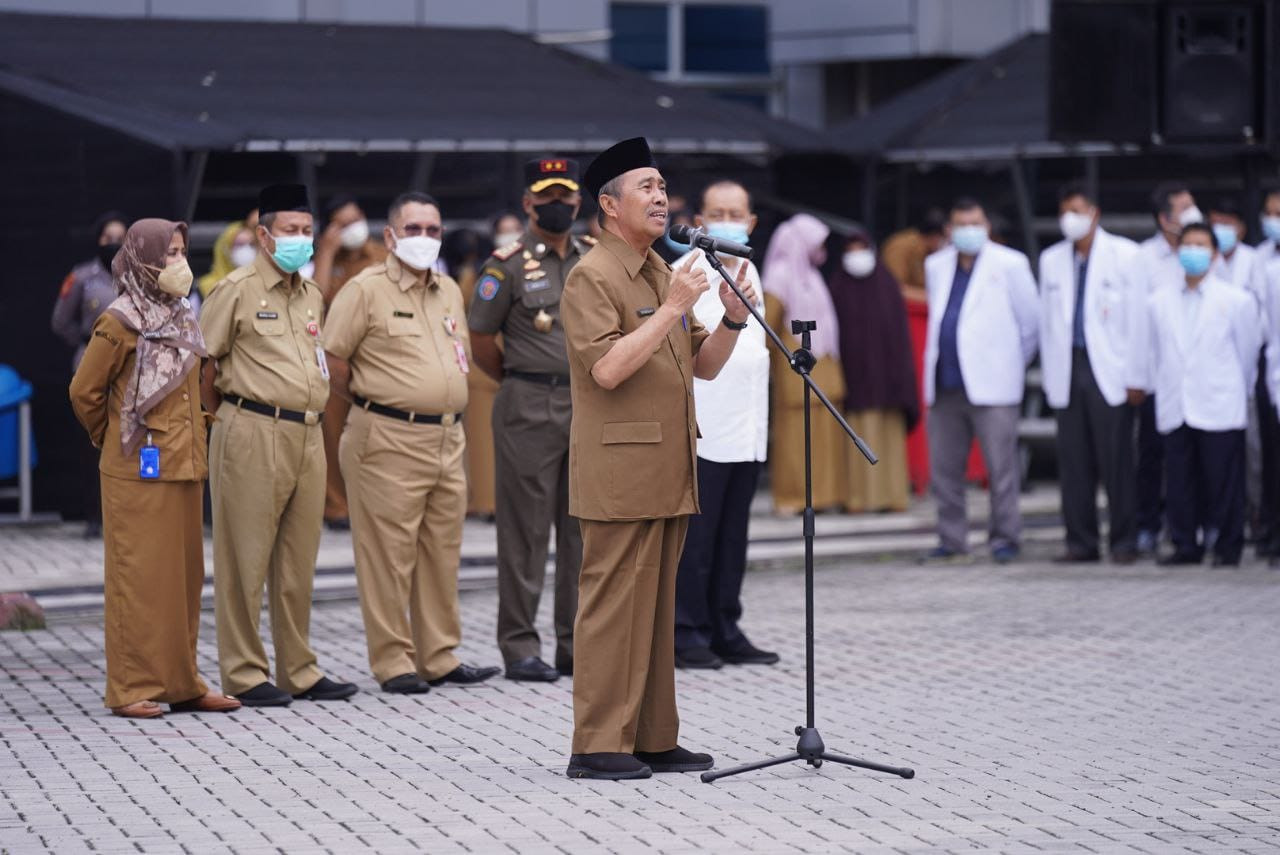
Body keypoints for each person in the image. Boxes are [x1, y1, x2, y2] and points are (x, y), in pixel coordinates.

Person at [560, 137, 753, 781]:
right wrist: (673, 306)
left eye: (663, 185)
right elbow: (608, 369)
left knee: (656, 609)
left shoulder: (654, 270)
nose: (661, 197)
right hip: (619, 472)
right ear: (610, 206)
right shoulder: (592, 275)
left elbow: (704, 366)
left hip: (669, 469)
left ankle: (650, 736)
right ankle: (595, 745)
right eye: (646, 186)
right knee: (614, 606)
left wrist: (729, 319)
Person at [324, 191, 500, 695]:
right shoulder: (366, 289)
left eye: (432, 230)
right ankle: (393, 661)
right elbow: (333, 361)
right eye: (414, 229)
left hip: (445, 436)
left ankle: (439, 656)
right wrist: (380, 399)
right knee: (388, 556)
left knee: (441, 552)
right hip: (387, 434)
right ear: (390, 236)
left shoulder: (446, 288)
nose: (424, 239)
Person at [68, 217, 240, 719]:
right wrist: (115, 438)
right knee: (138, 581)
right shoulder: (120, 318)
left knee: (182, 583)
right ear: (142, 257)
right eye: (168, 254)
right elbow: (85, 391)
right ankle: (130, 686)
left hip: (184, 464)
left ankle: (182, 683)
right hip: (135, 471)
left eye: (183, 252)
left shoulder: (182, 314)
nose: (178, 263)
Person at [200, 183, 358, 708]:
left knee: (297, 560)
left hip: (307, 432)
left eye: (307, 232)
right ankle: (243, 671)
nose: (300, 240)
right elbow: (203, 364)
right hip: (250, 427)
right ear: (265, 235)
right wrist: (212, 424)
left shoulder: (310, 293)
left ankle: (299, 667)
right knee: (244, 557)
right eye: (289, 232)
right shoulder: (236, 289)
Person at [468, 158, 592, 682]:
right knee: (524, 532)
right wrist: (525, 377)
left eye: (566, 198)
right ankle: (520, 645)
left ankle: (575, 643)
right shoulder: (507, 265)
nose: (557, 207)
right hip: (527, 404)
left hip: (587, 407)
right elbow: (481, 343)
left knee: (581, 532)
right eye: (547, 199)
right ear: (528, 204)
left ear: (579, 202)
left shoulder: (592, 257)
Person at [671, 180, 774, 672]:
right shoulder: (685, 274)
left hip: (748, 425)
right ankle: (688, 630)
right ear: (701, 219)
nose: (727, 220)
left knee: (734, 537)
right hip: (705, 427)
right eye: (717, 212)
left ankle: (725, 625)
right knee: (698, 540)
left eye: (736, 212)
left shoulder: (752, 271)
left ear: (751, 222)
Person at [920, 198, 1039, 564]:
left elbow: (1031, 323)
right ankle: (952, 539)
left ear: (986, 226)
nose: (968, 230)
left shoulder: (1010, 263)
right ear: (948, 230)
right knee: (945, 470)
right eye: (961, 224)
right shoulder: (936, 265)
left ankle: (1006, 537)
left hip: (994, 381)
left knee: (1001, 466)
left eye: (975, 223)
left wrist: (1009, 363)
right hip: (945, 380)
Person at [1134, 223, 1259, 566]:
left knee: (1222, 479)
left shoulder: (1235, 301)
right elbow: (1154, 352)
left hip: (1219, 399)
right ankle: (1186, 544)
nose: (1193, 251)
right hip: (1177, 401)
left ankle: (1227, 546)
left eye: (1201, 245)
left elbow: (1247, 353)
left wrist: (1237, 388)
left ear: (1215, 254)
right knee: (1179, 481)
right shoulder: (1158, 301)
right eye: (1187, 244)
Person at [1038, 182, 1140, 564]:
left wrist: (1136, 375)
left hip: (1110, 368)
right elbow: (1046, 323)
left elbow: (1137, 322)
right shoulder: (1051, 260)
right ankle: (1080, 541)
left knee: (1116, 460)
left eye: (1077, 211)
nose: (1071, 219)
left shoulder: (1125, 255)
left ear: (1094, 212)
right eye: (1065, 212)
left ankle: (1124, 540)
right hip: (1068, 367)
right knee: (1074, 460)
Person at [1126, 182, 1204, 555]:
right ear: (1164, 218)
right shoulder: (1143, 259)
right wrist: (1137, 376)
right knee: (1153, 456)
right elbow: (1137, 324)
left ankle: (1193, 526)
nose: (1194, 214)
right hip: (1159, 376)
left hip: (1199, 375)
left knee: (1195, 457)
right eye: (1184, 208)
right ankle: (1148, 524)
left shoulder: (1204, 253)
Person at [828, 225, 918, 513]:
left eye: (861, 249)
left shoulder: (887, 285)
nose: (857, 256)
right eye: (850, 251)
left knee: (887, 438)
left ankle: (892, 497)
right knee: (858, 437)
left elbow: (900, 337)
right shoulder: (837, 287)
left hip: (888, 381)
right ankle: (858, 500)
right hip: (854, 379)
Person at [310, 195, 388, 531]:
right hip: (333, 360)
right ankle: (337, 507)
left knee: (376, 436)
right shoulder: (327, 259)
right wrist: (326, 251)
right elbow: (314, 300)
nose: (353, 228)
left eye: (356, 219)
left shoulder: (381, 256)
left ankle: (374, 504)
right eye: (343, 223)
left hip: (375, 359)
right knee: (332, 434)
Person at [762, 213, 848, 513]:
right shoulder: (779, 275)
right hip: (796, 368)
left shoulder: (810, 274)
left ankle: (822, 497)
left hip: (824, 366)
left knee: (823, 436)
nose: (821, 249)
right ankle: (793, 498)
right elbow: (768, 328)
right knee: (797, 439)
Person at [52, 210, 128, 538]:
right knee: (91, 442)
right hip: (92, 363)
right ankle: (93, 514)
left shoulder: (137, 275)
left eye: (120, 237)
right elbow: (60, 321)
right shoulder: (82, 276)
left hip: (130, 367)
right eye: (107, 237)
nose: (114, 243)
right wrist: (87, 340)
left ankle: (125, 511)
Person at [446, 227, 500, 519]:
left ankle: (488, 501)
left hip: (493, 365)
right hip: (479, 367)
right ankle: (484, 502)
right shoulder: (472, 278)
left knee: (487, 443)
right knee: (480, 443)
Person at [880, 209, 947, 304]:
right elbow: (895, 289)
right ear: (935, 237)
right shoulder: (901, 247)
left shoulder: (930, 251)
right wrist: (934, 298)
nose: (946, 244)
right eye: (944, 239)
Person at [197, 209, 259, 300]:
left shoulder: (267, 285)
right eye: (239, 245)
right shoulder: (205, 289)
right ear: (224, 249)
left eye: (251, 245)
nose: (245, 250)